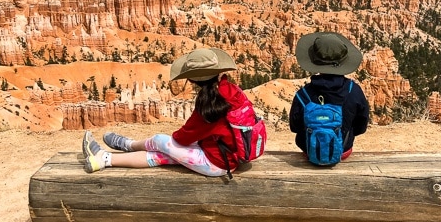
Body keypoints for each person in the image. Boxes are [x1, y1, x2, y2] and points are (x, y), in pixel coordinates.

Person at [82, 47, 252, 177]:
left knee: (161, 141)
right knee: (160, 156)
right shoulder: (231, 91)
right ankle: (104, 160)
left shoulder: (210, 104)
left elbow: (182, 138)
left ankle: (128, 145)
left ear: (191, 78)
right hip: (227, 155)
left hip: (217, 162)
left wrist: (173, 141)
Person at [289, 31, 370, 161]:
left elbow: (294, 128)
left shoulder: (303, 94)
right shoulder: (354, 91)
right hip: (343, 151)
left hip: (309, 151)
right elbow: (361, 127)